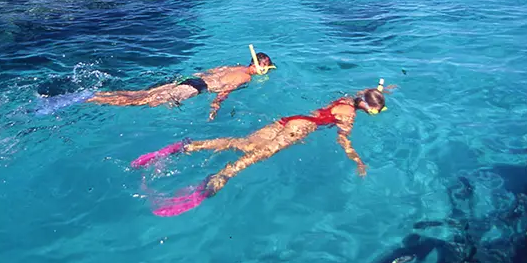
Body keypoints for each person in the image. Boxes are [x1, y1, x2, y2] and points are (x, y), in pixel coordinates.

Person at [131, 79, 394, 216]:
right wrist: (356, 159)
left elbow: (367, 92)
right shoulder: (349, 115)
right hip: (299, 130)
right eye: (376, 110)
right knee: (250, 159)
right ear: (367, 107)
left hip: (291, 119)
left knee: (241, 143)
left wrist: (384, 91)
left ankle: (186, 147)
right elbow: (342, 139)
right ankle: (214, 183)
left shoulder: (349, 99)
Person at [35, 46, 276, 120]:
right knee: (139, 102)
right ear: (259, 66)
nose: (264, 72)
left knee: (138, 93)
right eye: (265, 68)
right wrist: (214, 111)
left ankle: (88, 93)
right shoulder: (245, 76)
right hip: (192, 88)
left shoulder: (233, 66)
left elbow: (209, 72)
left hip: (189, 80)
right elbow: (223, 93)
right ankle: (83, 98)